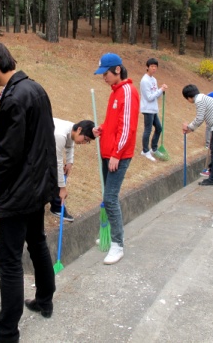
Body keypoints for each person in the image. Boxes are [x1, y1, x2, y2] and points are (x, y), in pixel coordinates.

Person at [0, 41, 57, 343]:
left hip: (19, 191)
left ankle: (6, 333)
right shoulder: (35, 89)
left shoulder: (15, 98)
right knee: (37, 242)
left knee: (8, 261)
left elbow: (9, 156)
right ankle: (45, 299)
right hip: (37, 185)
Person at [92, 52, 140, 265]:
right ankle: (112, 237)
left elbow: (128, 128)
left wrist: (116, 155)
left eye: (106, 73)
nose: (104, 77)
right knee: (107, 197)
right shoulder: (115, 92)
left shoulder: (128, 91)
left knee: (110, 198)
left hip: (117, 156)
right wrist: (101, 129)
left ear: (117, 70)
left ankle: (117, 245)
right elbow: (114, 123)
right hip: (108, 152)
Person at [182, 84, 213, 186]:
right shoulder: (203, 97)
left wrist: (189, 128)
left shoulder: (199, 101)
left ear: (189, 97)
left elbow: (199, 118)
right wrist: (191, 128)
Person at [50, 119, 96, 222]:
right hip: (30, 142)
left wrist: (70, 163)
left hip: (42, 144)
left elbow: (70, 146)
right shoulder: (60, 135)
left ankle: (56, 205)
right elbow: (57, 162)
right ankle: (57, 206)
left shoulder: (71, 129)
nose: (84, 143)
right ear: (79, 129)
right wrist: (62, 188)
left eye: (87, 142)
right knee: (50, 171)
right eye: (85, 139)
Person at [139, 58, 168, 162]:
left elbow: (156, 96)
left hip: (154, 109)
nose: (154, 68)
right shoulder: (144, 80)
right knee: (148, 130)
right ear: (147, 67)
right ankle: (145, 151)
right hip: (147, 109)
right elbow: (149, 97)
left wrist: (161, 90)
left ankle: (154, 149)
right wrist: (160, 90)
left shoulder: (154, 80)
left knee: (159, 128)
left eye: (155, 67)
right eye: (152, 66)